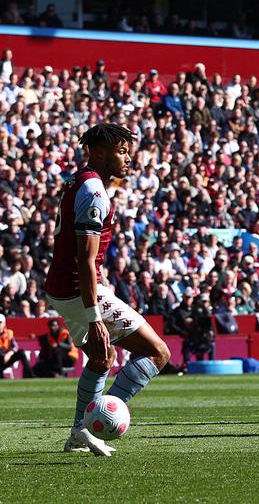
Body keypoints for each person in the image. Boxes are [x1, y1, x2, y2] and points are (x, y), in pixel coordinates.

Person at [44, 123, 172, 457]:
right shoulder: (94, 193)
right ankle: (92, 423)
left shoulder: (81, 181)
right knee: (158, 352)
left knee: (102, 359)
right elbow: (85, 261)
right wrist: (95, 317)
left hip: (62, 289)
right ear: (99, 152)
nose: (128, 158)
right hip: (76, 290)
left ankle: (78, 435)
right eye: (122, 151)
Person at [1, 313, 33, 377]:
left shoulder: (9, 333)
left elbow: (15, 346)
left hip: (6, 357)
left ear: (4, 323)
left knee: (21, 352)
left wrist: (9, 354)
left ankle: (28, 375)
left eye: (0, 322)